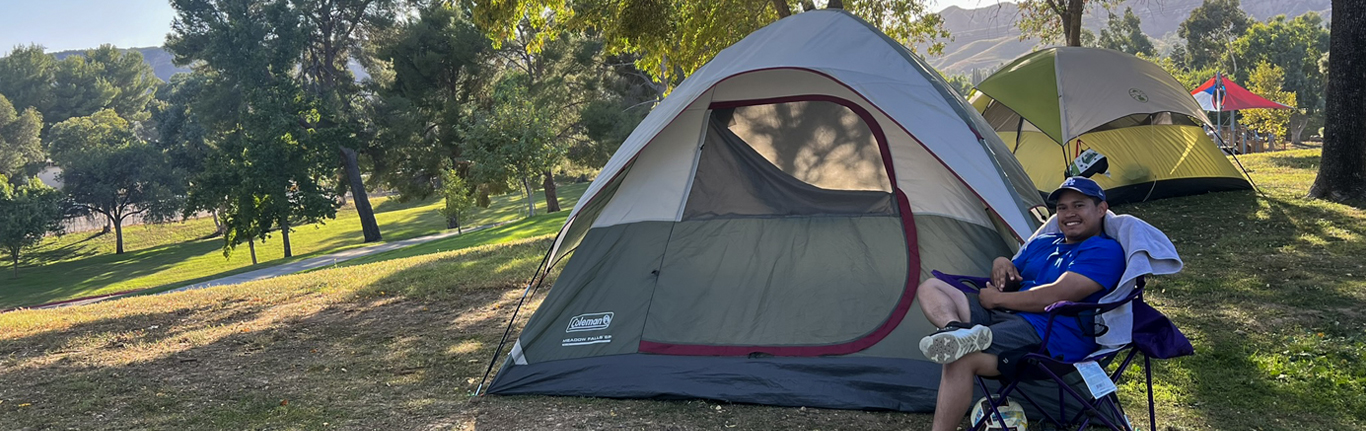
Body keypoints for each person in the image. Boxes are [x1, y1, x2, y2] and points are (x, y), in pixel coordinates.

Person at [914, 176, 1126, 431]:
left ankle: (965, 339)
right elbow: (1014, 270)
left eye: (1078, 205)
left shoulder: (1104, 251)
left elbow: (1058, 295)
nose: (1069, 213)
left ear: (1101, 209)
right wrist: (1001, 262)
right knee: (932, 287)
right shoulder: (1044, 243)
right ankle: (955, 330)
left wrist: (998, 299)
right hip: (1006, 315)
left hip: (1048, 334)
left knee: (959, 358)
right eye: (1062, 208)